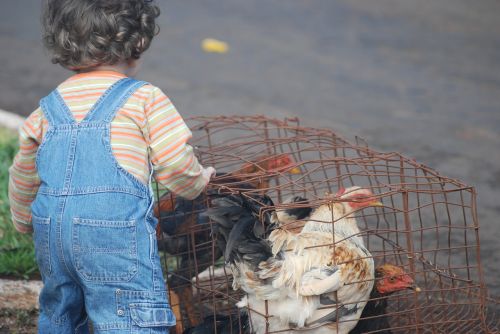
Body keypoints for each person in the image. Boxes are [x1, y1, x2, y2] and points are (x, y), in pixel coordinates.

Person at [8, 0, 215, 333]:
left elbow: (23, 175)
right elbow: (176, 165)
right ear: (138, 43)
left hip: (53, 239)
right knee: (129, 318)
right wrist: (198, 183)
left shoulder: (45, 111)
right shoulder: (144, 98)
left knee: (61, 315)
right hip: (113, 238)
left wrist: (22, 221)